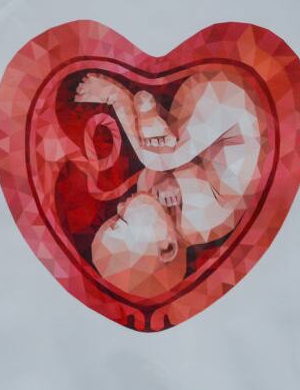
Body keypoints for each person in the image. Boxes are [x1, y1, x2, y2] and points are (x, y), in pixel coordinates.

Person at [73, 70, 265, 297]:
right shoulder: (203, 222)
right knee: (156, 157)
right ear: (167, 247)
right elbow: (180, 166)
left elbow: (165, 157)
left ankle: (144, 116)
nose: (118, 206)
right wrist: (174, 179)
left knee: (157, 157)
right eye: (121, 219)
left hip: (199, 110)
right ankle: (115, 96)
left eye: (114, 214)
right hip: (233, 107)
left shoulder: (158, 203)